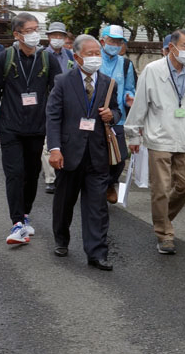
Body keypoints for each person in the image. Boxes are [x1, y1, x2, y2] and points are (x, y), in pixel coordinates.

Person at [46, 34, 120, 270]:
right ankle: (61, 239)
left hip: (97, 154)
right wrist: (55, 149)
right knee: (64, 201)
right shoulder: (62, 81)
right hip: (69, 153)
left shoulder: (109, 83)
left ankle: (97, 253)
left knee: (97, 205)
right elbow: (53, 116)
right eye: (90, 54)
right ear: (77, 57)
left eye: (97, 53)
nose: (95, 57)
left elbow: (116, 111)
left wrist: (113, 115)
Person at [0, 12, 60, 245]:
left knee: (31, 174)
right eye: (29, 30)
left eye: (37, 29)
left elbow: (58, 94)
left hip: (37, 128)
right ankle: (17, 222)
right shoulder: (4, 59)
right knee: (14, 174)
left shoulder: (48, 60)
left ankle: (25, 215)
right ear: (17, 34)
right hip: (11, 128)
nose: (35, 34)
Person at [126, 29, 185, 254]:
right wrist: (134, 135)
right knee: (161, 189)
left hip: (184, 137)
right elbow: (140, 104)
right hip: (159, 136)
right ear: (172, 47)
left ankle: (163, 218)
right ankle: (164, 233)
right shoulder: (153, 70)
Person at [99, 24, 137, 197]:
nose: (115, 45)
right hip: (95, 117)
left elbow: (130, 87)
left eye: (119, 42)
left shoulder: (126, 64)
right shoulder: (94, 59)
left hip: (118, 117)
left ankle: (110, 183)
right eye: (111, 41)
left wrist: (130, 97)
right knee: (98, 157)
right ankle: (96, 189)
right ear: (102, 41)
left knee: (120, 158)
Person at [42, 21, 78, 193]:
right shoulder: (41, 55)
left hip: (68, 103)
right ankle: (50, 178)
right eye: (54, 35)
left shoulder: (70, 56)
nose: (57, 38)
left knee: (65, 138)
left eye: (60, 36)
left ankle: (63, 171)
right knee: (49, 139)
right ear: (48, 37)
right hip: (48, 102)